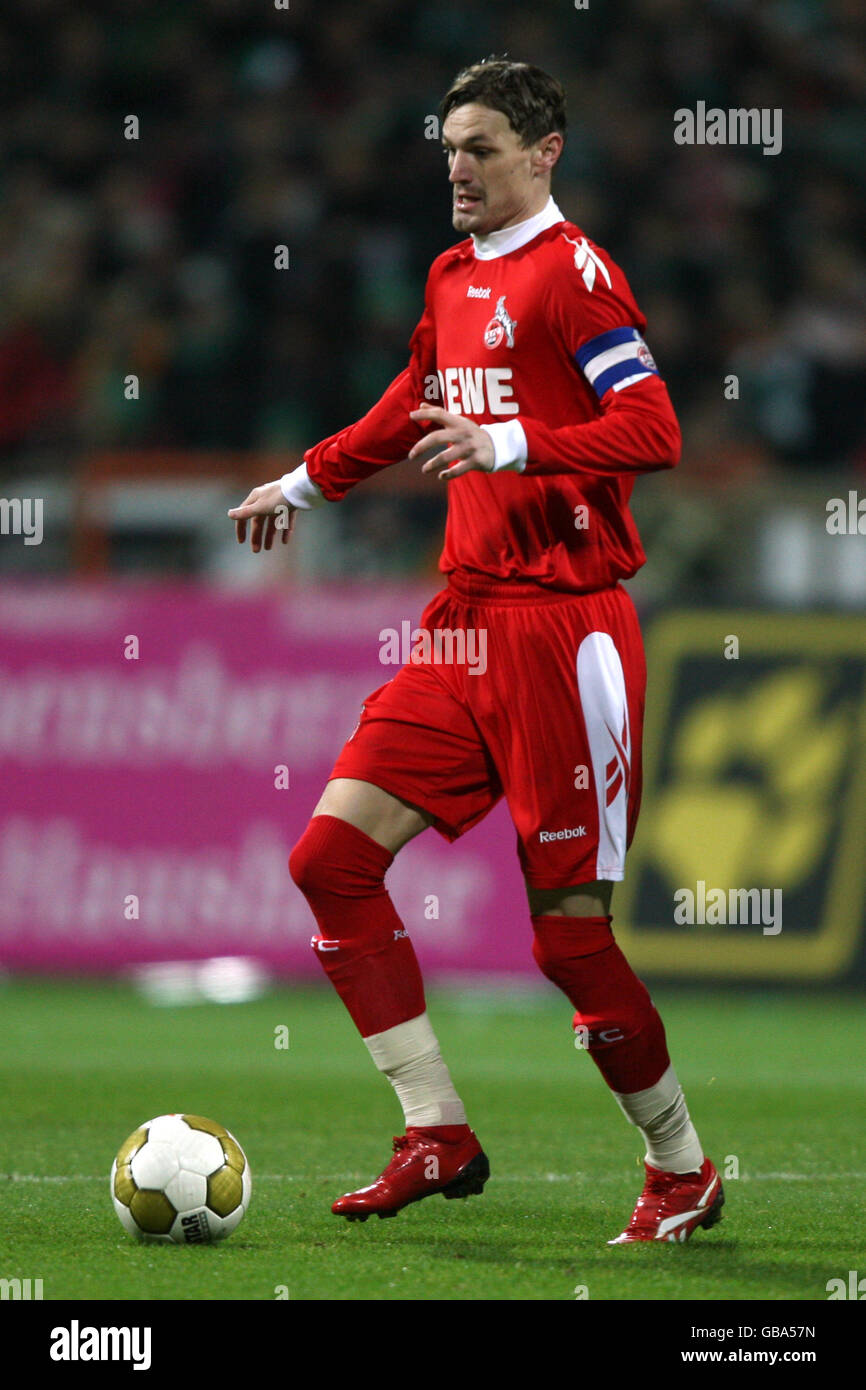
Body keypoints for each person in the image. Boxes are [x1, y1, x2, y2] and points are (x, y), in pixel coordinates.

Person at [228, 58, 723, 1244]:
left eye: (484, 145)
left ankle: (680, 1166)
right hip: (461, 624)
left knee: (566, 936)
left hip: (566, 633)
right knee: (329, 862)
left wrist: (510, 446)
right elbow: (412, 399)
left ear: (543, 154)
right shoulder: (453, 274)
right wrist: (304, 479)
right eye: (449, 144)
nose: (457, 166)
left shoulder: (577, 280)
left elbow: (650, 426)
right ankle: (434, 1129)